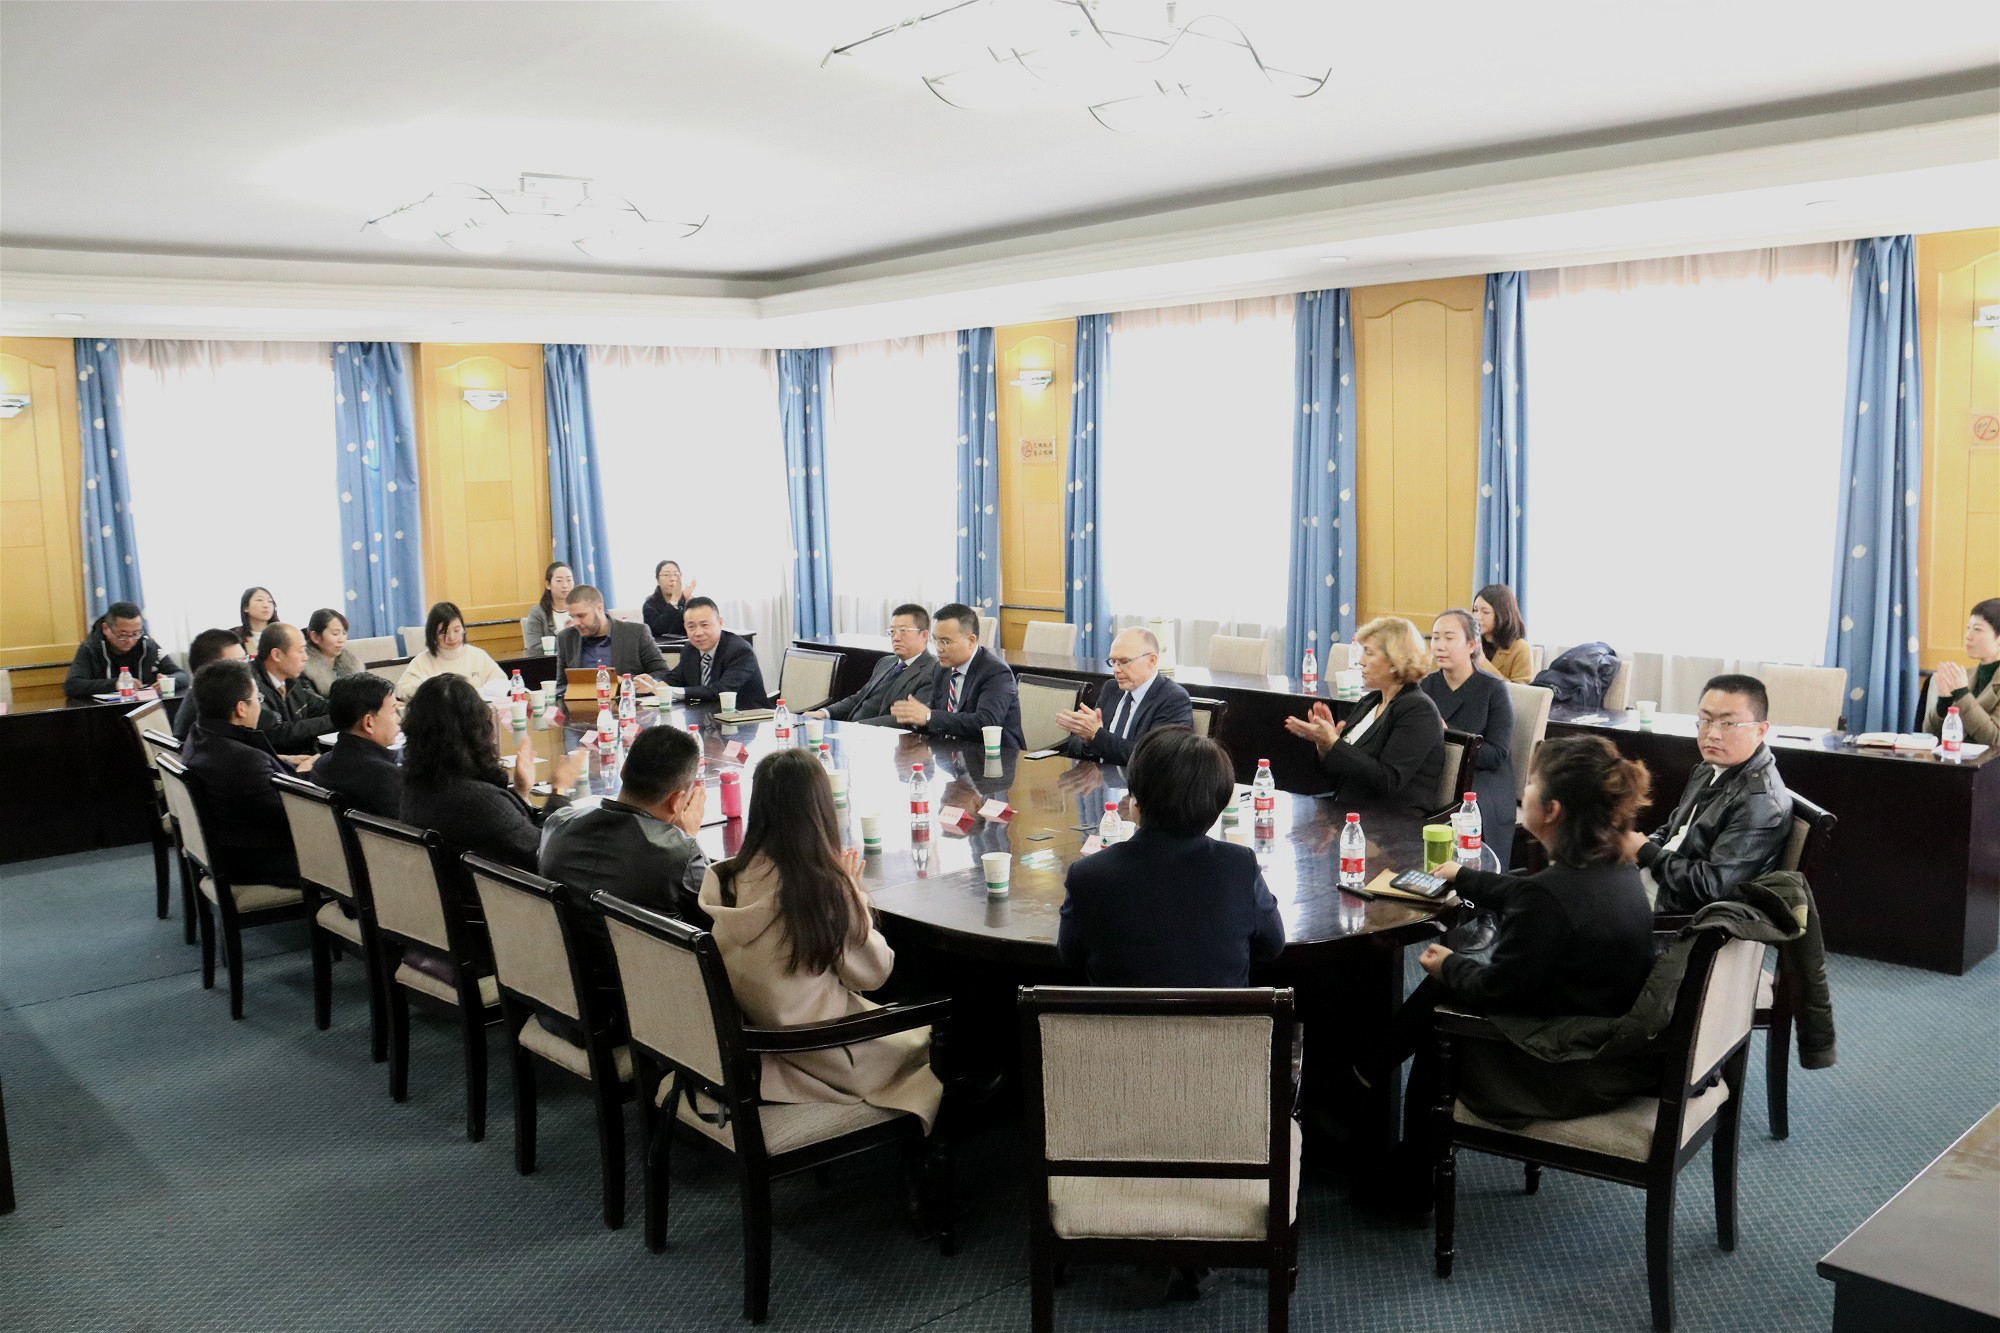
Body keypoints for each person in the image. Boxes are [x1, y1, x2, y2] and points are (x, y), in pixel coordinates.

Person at [1370, 735, 1658, 1200]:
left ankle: (1408, 1180)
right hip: (1606, 1043)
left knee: (1442, 1011)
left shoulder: (1550, 896)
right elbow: (1532, 896)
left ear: (1553, 809)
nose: (1523, 790)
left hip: (1562, 1067)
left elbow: (1498, 990)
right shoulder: (1618, 870)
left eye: (1532, 782)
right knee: (1443, 995)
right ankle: (1368, 1079)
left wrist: (1451, 965)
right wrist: (1464, 877)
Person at [698, 749, 942, 1131]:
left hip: (761, 1042)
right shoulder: (819, 890)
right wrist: (852, 893)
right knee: (939, 1031)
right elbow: (875, 974)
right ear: (820, 812)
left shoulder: (728, 876)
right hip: (824, 1052)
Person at [1058, 728, 1285, 986]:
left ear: (1135, 800)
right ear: (1219, 805)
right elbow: (1272, 946)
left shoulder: (1088, 874)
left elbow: (1070, 957)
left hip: (1122, 1014)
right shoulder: (1239, 866)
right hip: (1217, 1014)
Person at [1621, 673, 1792, 913]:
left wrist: (1646, 851)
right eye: (1706, 720)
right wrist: (1639, 847)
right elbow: (1673, 831)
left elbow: (1713, 887)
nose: (1712, 734)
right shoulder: (1708, 768)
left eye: (1728, 724)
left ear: (1760, 730)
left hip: (1677, 910)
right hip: (1658, 883)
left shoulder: (1760, 802)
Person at [399, 674, 581, 871]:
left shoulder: (415, 788)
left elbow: (503, 833)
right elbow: (548, 855)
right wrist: (559, 790)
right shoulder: (477, 801)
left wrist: (520, 792)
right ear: (476, 729)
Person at [541, 725, 710, 922]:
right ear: (676, 800)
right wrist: (685, 839)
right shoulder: (680, 856)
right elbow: (718, 922)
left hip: (563, 942)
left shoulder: (556, 824)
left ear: (622, 772)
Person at [1283, 616, 1444, 813]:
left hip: (1392, 819)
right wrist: (1324, 745)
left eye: (1369, 653)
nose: (1360, 661)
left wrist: (1335, 743)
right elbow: (1336, 773)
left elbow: (1387, 781)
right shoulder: (1370, 701)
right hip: (1349, 809)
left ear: (1395, 661)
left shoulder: (1418, 710)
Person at [179, 660, 304, 885]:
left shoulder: (199, 734)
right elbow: (293, 818)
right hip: (260, 858)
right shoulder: (244, 760)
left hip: (231, 847)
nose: (259, 706)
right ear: (241, 708)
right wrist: (306, 778)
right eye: (258, 699)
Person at [1420, 609, 1517, 865]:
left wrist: (1447, 734)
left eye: (1449, 638)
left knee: (1468, 807)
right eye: (1435, 637)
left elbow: (1496, 755)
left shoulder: (1493, 689)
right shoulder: (1425, 686)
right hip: (1435, 770)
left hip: (1483, 778)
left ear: (1472, 645)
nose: (1439, 645)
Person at [890, 602, 1023, 747]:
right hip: (950, 753)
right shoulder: (941, 669)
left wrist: (929, 716)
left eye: (945, 641)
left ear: (971, 641)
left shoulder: (996, 672)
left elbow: (986, 723)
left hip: (995, 755)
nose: (938, 648)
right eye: (935, 640)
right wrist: (914, 718)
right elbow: (934, 714)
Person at [1054, 626, 1192, 765]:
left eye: (1124, 662)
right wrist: (1087, 740)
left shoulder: (1173, 699)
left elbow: (1151, 759)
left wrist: (1097, 735)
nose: (1115, 669)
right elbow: (1075, 745)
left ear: (1151, 660)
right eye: (1113, 662)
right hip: (1100, 776)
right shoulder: (1111, 688)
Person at [812, 604, 937, 726]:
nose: (896, 638)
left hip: (882, 735)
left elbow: (909, 718)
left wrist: (857, 727)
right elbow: (858, 699)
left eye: (903, 631)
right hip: (851, 729)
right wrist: (825, 713)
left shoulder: (932, 670)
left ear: (924, 635)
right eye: (892, 631)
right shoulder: (885, 662)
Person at [309, 672, 403, 819]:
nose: (398, 719)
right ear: (368, 723)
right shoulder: (386, 778)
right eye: (393, 712)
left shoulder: (321, 764)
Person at [556, 585, 669, 702]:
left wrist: (626, 681)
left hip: (629, 705)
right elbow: (561, 685)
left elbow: (663, 673)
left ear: (599, 609)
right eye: (572, 617)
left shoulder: (636, 633)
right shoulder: (566, 638)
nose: (576, 623)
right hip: (582, 707)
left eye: (581, 616)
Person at [62, 600, 187, 700]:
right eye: (122, 635)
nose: (130, 640)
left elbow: (182, 675)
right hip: (103, 713)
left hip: (144, 708)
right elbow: (72, 685)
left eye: (135, 633)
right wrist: (116, 684)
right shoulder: (90, 648)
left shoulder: (147, 644)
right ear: (105, 628)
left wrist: (169, 681)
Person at [660, 596, 768, 708]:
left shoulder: (740, 651)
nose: (698, 633)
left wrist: (674, 692)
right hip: (703, 715)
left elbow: (722, 690)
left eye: (704, 625)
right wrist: (653, 684)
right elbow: (673, 679)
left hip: (745, 715)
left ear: (720, 623)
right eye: (691, 627)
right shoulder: (690, 650)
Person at [393, 601, 506, 703]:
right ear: (432, 634)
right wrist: (429, 684)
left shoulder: (478, 655)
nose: (451, 637)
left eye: (456, 630)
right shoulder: (422, 660)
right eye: (443, 633)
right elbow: (403, 690)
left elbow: (501, 683)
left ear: (463, 629)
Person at [1928, 597, 2000, 746]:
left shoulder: (1960, 684)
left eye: (1977, 629)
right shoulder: (1965, 676)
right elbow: (1929, 736)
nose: (1968, 636)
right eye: (1968, 628)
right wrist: (1944, 701)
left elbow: (1996, 740)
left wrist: (1962, 694)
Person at [253, 623, 332, 755]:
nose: (305, 657)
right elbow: (279, 733)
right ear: (277, 655)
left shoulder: (291, 680)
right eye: (300, 651)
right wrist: (338, 720)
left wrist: (353, 710)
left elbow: (321, 707)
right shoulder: (252, 687)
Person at [173, 628, 248, 740]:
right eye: (238, 663)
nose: (246, 669)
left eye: (245, 659)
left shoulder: (219, 696)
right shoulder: (209, 712)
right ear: (210, 671)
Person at [1473, 583, 1533, 685]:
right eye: (1475, 610)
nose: (1477, 617)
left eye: (1485, 612)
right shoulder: (1471, 642)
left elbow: (1521, 692)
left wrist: (1482, 661)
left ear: (1502, 614)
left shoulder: (1521, 648)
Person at [300, 608, 363, 696]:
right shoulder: (303, 670)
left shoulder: (352, 663)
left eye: (344, 633)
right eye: (335, 634)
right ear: (315, 637)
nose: (341, 640)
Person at [521, 562, 575, 656]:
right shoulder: (537, 613)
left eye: (569, 580)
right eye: (559, 581)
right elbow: (534, 649)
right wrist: (566, 637)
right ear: (548, 584)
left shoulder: (582, 610)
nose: (565, 585)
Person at [641, 559, 695, 639]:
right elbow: (661, 629)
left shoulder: (686, 599)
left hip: (687, 644)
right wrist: (674, 599)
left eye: (676, 574)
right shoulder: (650, 604)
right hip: (662, 646)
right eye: (666, 575)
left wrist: (689, 600)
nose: (672, 578)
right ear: (658, 580)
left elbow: (697, 625)